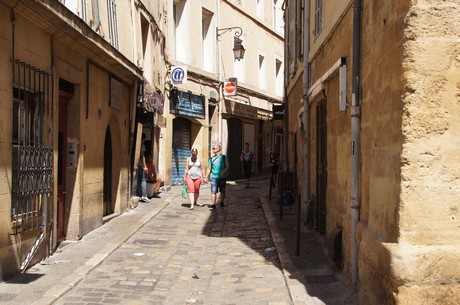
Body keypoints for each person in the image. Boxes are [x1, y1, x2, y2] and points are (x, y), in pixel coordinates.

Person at [205, 144, 229, 211]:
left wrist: (224, 171)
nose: (213, 149)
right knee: (213, 191)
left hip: (222, 177)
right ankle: (213, 204)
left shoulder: (224, 157)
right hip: (214, 177)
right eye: (213, 148)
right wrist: (206, 177)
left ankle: (221, 202)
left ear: (219, 149)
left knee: (222, 191)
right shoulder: (211, 159)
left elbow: (227, 166)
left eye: (214, 148)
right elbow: (209, 168)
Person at [132, 133, 149, 202]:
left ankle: (133, 195)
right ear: (143, 139)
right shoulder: (142, 146)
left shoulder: (134, 144)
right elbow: (142, 156)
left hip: (134, 165)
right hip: (140, 165)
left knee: (135, 179)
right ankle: (144, 196)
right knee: (143, 180)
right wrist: (145, 166)